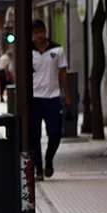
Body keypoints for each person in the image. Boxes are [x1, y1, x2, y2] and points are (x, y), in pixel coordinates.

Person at [28, 20, 71, 179]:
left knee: (55, 133)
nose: (39, 35)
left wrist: (67, 95)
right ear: (32, 34)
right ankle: (39, 169)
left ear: (45, 31)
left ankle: (49, 159)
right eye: (36, 32)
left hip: (53, 97)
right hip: (34, 98)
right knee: (34, 136)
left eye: (42, 32)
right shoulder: (28, 51)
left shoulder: (57, 50)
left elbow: (63, 73)